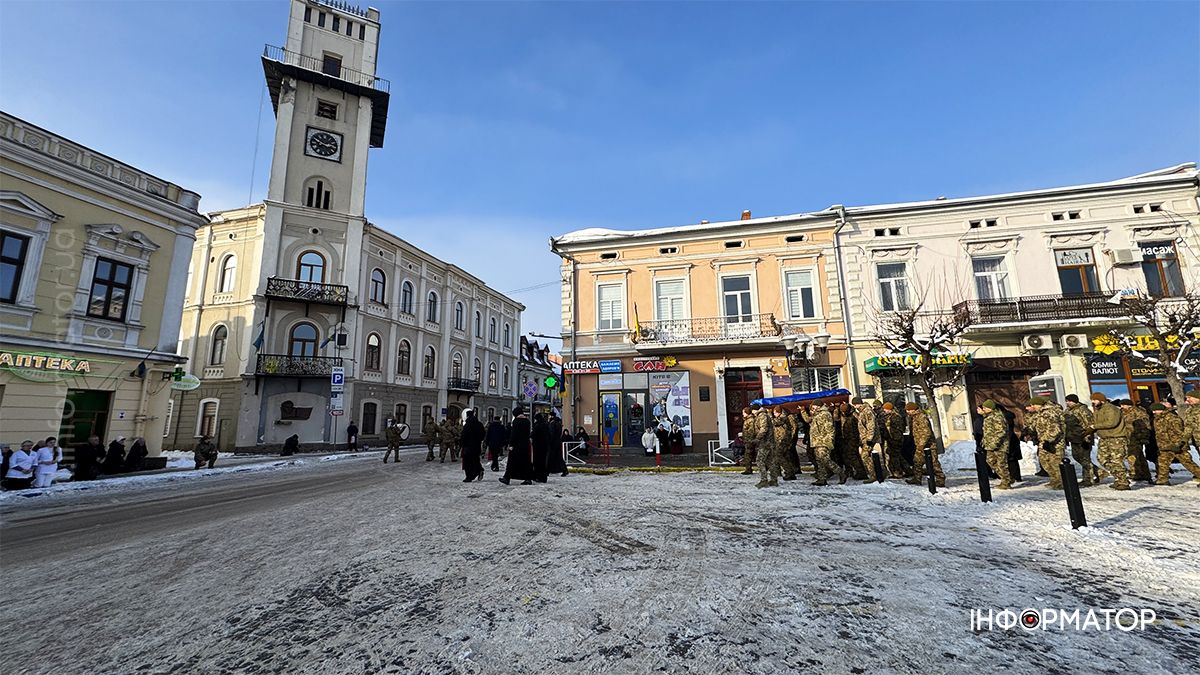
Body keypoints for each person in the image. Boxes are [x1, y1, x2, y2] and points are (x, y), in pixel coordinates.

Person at [1150, 403, 1200, 486]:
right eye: (1153, 411)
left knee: (1188, 463)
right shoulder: (1157, 419)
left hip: (1176, 446)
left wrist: (1178, 445)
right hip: (1164, 446)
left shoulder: (1172, 418)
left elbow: (1179, 433)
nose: (1154, 412)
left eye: (1155, 410)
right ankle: (1162, 480)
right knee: (1162, 462)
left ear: (1161, 410)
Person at [1091, 393, 1130, 491]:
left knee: (1116, 460)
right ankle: (1119, 477)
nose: (1093, 402)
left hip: (1116, 438)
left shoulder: (1111, 409)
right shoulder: (1098, 410)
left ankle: (1123, 482)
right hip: (1104, 438)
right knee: (1102, 459)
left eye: (1095, 400)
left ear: (1101, 400)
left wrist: (1095, 426)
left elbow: (1111, 423)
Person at [1025, 397, 1066, 490]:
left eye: (1033, 405)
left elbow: (1055, 429)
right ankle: (1054, 480)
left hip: (1054, 443)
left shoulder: (1049, 413)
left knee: (1055, 463)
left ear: (1038, 404)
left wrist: (1049, 440)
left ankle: (1061, 482)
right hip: (1044, 441)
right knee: (1045, 462)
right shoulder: (1041, 413)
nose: (1032, 407)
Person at [1063, 394, 1099, 486]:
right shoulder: (1067, 411)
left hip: (1083, 437)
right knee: (1076, 457)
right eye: (1067, 401)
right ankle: (1096, 471)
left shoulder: (1083, 410)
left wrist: (1087, 437)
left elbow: (1090, 424)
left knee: (1085, 458)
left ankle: (1088, 479)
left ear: (1075, 401)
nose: (1067, 403)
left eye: (1069, 401)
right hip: (1073, 437)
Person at [905, 403, 944, 487]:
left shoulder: (921, 417)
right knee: (917, 462)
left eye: (908, 410)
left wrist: (921, 444)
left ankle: (940, 479)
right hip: (919, 444)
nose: (907, 412)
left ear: (913, 409)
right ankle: (917, 479)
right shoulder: (913, 418)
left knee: (934, 463)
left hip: (928, 445)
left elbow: (927, 432)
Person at [807, 403, 845, 486]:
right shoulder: (818, 414)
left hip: (823, 441)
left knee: (825, 460)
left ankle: (841, 473)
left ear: (818, 406)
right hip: (817, 441)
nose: (813, 408)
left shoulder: (825, 414)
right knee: (819, 461)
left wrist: (829, 441)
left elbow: (830, 428)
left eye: (814, 406)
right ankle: (822, 479)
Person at [979, 401, 1012, 489]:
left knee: (1001, 464)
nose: (984, 409)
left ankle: (1006, 482)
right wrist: (984, 441)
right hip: (990, 445)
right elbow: (988, 431)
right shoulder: (988, 417)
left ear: (990, 408)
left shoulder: (997, 417)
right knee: (990, 461)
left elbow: (1001, 432)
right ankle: (1006, 477)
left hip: (1000, 446)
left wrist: (995, 443)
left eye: (985, 408)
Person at [1120, 400, 1154, 484]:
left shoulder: (1138, 412)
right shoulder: (1123, 412)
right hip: (1128, 436)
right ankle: (1145, 474)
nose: (1121, 407)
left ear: (1129, 405)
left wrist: (1144, 437)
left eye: (1123, 405)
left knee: (1132, 455)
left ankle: (1136, 473)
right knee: (1139, 456)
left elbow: (1146, 425)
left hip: (1136, 437)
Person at [500, 406, 533, 485]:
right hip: (525, 444)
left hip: (516, 445)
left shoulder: (516, 421)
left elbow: (514, 434)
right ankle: (528, 478)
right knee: (525, 462)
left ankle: (506, 477)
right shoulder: (527, 421)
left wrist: (511, 444)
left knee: (511, 462)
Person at [853, 397, 882, 482]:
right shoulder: (862, 412)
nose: (855, 406)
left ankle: (873, 476)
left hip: (869, 438)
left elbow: (871, 425)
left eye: (855, 404)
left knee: (865, 456)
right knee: (866, 456)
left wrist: (869, 438)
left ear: (859, 403)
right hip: (865, 438)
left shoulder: (867, 411)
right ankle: (874, 475)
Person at [879, 402, 910, 478]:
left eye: (885, 409)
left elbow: (895, 429)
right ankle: (908, 470)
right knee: (897, 455)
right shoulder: (890, 416)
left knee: (894, 456)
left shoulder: (895, 417)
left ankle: (898, 472)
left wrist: (891, 437)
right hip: (892, 438)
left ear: (889, 409)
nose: (884, 410)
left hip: (895, 439)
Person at [751, 403, 778, 488]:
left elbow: (764, 428)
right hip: (769, 442)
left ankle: (764, 480)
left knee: (759, 461)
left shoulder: (762, 416)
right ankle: (774, 480)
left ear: (754, 410)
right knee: (770, 462)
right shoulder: (764, 415)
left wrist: (757, 438)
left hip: (765, 442)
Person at [771, 407, 798, 480]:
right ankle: (791, 473)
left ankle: (789, 471)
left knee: (779, 455)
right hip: (781, 440)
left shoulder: (783, 417)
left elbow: (774, 422)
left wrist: (769, 415)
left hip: (783, 440)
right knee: (786, 456)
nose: (774, 414)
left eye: (774, 413)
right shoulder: (782, 417)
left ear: (778, 412)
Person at [460, 409, 486, 482]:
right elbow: (483, 434)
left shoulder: (467, 425)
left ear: (467, 416)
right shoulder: (479, 424)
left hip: (468, 446)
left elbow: (464, 436)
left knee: (468, 462)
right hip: (477, 445)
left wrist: (462, 444)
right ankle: (479, 470)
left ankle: (469, 476)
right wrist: (479, 440)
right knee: (475, 459)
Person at [531, 412, 552, 483]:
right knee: (543, 462)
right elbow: (549, 435)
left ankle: (537, 476)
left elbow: (533, 434)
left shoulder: (537, 425)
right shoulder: (546, 425)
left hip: (538, 446)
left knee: (537, 462)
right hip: (545, 446)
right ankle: (543, 477)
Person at [740, 407, 759, 475]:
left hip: (750, 440)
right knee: (748, 455)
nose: (742, 414)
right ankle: (748, 468)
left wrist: (749, 440)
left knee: (748, 455)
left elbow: (751, 431)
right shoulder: (747, 420)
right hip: (748, 440)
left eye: (743, 412)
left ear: (746, 413)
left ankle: (748, 469)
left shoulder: (750, 420)